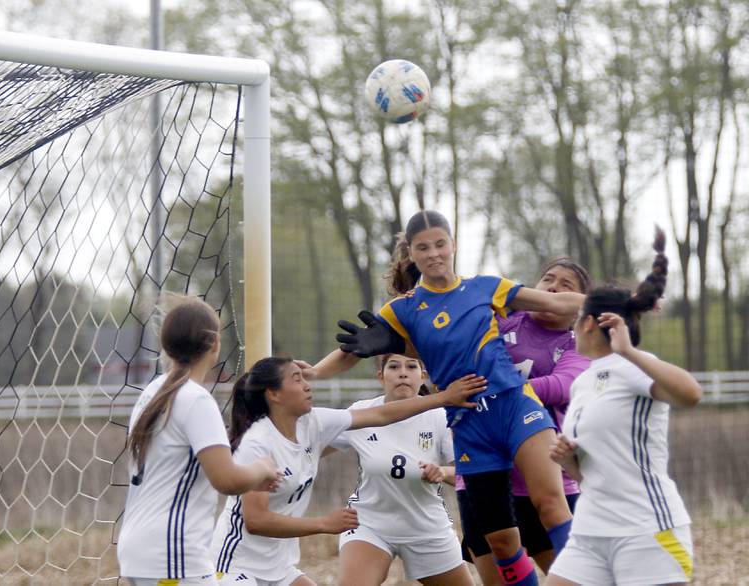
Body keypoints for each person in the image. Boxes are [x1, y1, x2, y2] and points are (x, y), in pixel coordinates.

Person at [305, 210, 586, 586]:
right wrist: (314, 373)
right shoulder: (403, 309)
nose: (434, 253)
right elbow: (356, 349)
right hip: (470, 423)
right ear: (412, 253)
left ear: (453, 244)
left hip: (514, 406)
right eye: (424, 247)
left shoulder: (486, 288)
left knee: (552, 504)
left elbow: (559, 305)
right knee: (502, 541)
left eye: (440, 244)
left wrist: (623, 303)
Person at [213, 356, 484, 586]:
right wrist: (323, 523)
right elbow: (256, 520)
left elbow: (381, 416)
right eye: (298, 379)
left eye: (411, 366)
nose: (309, 385)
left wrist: (444, 400)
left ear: (423, 374)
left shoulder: (315, 423)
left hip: (281, 567)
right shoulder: (258, 444)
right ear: (273, 394)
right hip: (237, 565)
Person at [546, 230, 701, 585]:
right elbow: (593, 475)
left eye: (577, 318)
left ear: (588, 322)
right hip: (589, 530)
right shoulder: (583, 381)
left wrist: (628, 351)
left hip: (647, 529)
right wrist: (568, 459)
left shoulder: (634, 364)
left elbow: (692, 394)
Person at [117, 296, 282, 586]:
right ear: (215, 344)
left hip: (139, 551)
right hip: (172, 555)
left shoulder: (152, 393)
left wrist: (251, 479)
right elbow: (226, 480)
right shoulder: (195, 399)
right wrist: (263, 468)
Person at [460, 258, 591, 583]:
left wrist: (496, 391)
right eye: (548, 279)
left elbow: (561, 386)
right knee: (500, 573)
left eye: (566, 285)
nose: (554, 288)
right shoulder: (503, 319)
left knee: (574, 575)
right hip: (483, 466)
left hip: (546, 477)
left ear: (578, 307)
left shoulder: (577, 345)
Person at [330, 353, 474, 586]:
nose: (403, 373)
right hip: (369, 524)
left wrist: (442, 472)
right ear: (381, 376)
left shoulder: (439, 417)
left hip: (426, 527)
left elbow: (468, 471)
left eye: (411, 366)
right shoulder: (362, 412)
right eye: (394, 367)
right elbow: (314, 446)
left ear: (423, 375)